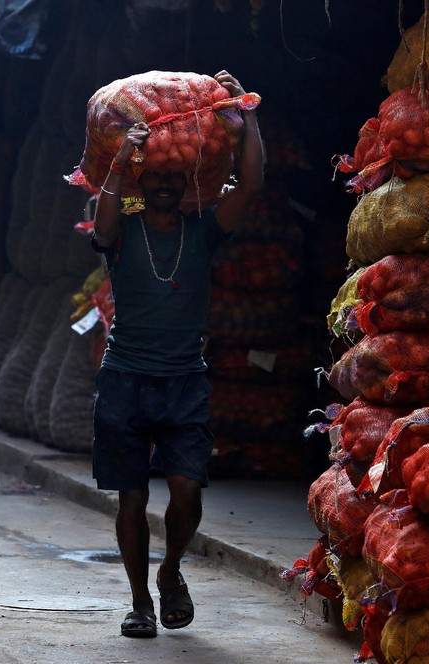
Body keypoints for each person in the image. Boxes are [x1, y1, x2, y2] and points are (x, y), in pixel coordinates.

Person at [89, 70, 265, 639]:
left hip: (185, 380)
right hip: (125, 381)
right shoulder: (121, 233)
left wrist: (248, 117)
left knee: (187, 491)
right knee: (132, 498)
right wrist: (123, 159)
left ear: (187, 180)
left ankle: (170, 573)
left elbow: (252, 184)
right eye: (155, 174)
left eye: (173, 174)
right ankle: (139, 602)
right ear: (145, 180)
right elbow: (104, 213)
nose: (164, 183)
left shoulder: (205, 229)